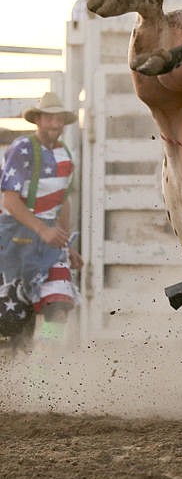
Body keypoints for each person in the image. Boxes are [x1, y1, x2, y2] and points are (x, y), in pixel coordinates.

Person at [0, 92, 83, 347]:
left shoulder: (65, 154)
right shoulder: (22, 148)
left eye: (59, 119)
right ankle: (14, 376)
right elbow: (10, 201)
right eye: (49, 118)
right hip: (16, 239)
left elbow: (63, 201)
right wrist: (42, 230)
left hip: (49, 243)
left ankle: (44, 369)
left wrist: (66, 244)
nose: (55, 125)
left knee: (58, 305)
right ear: (38, 120)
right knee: (15, 320)